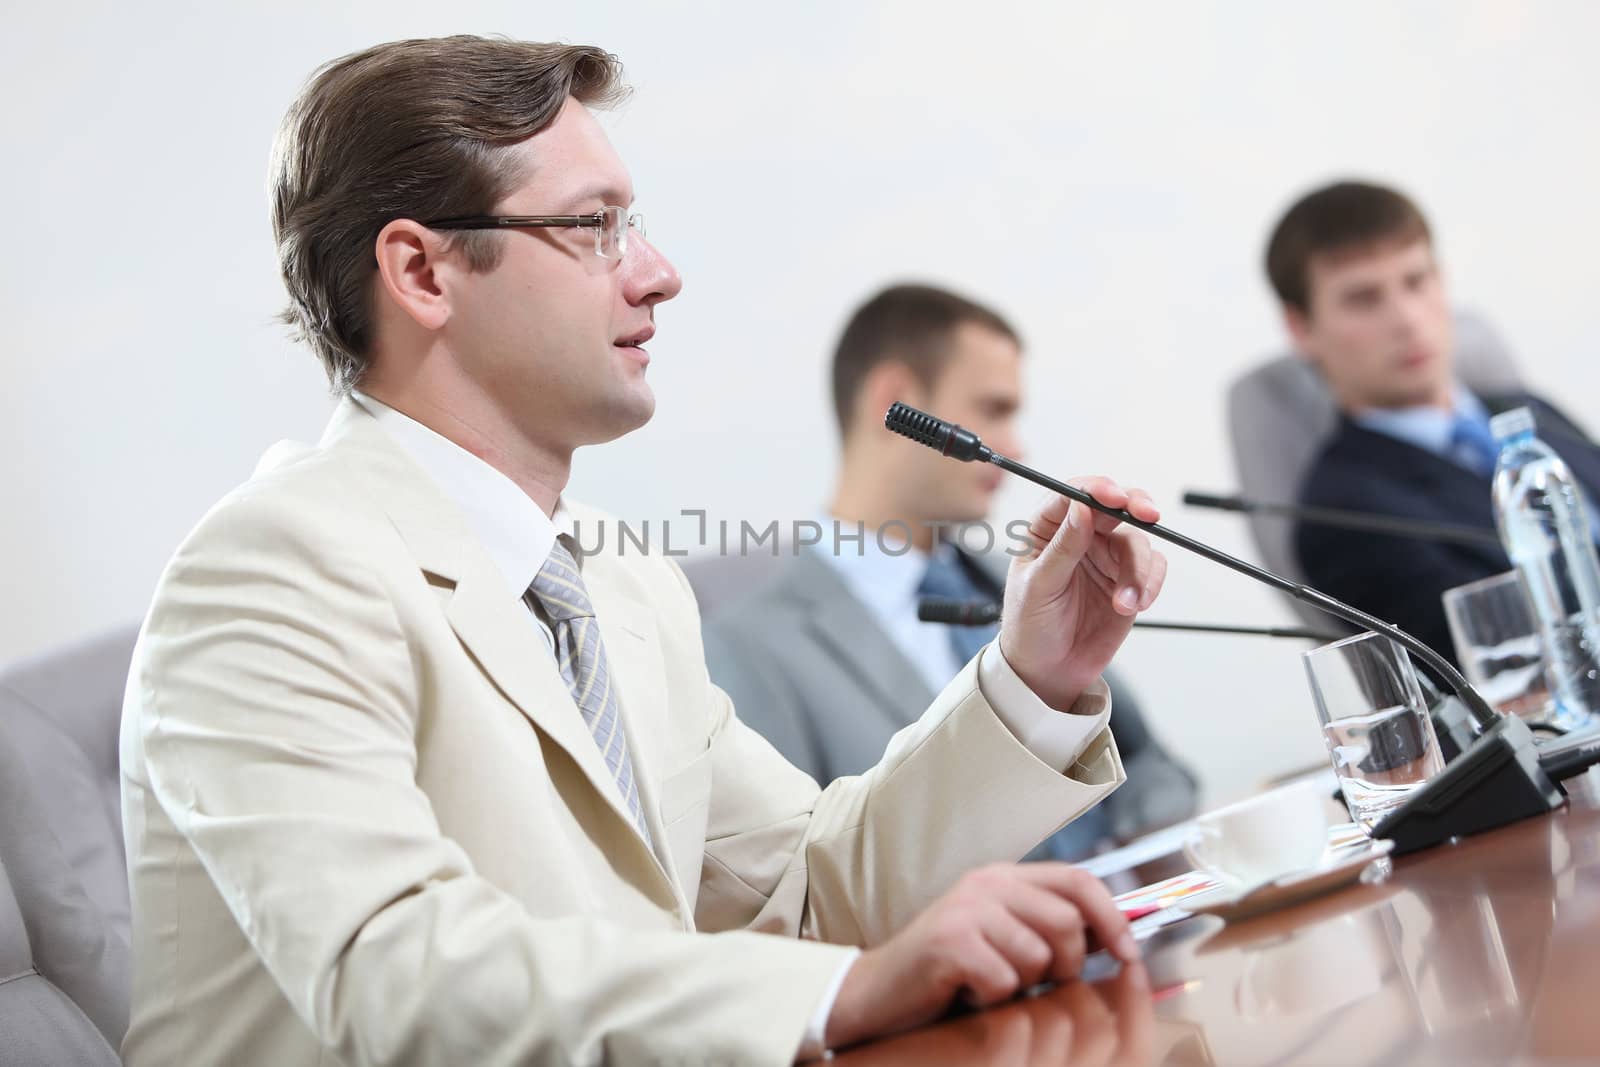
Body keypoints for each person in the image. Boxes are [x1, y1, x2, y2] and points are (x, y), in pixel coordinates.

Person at [118, 35, 1168, 1066]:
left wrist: (1034, 674)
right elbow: (397, 975)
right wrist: (839, 991)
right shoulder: (269, 569)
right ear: (422, 271)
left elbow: (810, 885)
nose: (659, 276)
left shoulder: (614, 576)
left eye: (636, 226)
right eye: (594, 227)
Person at [703, 284, 1197, 858]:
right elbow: (791, 878)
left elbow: (1148, 765)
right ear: (896, 399)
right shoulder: (749, 647)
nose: (1015, 445)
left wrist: (1131, 854)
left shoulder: (1027, 584)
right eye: (994, 410)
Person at [1275, 180, 1600, 663]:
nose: (1407, 318)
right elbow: (1509, 664)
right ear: (1302, 329)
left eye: (1416, 280)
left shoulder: (1528, 408)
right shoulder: (1343, 512)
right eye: (1364, 298)